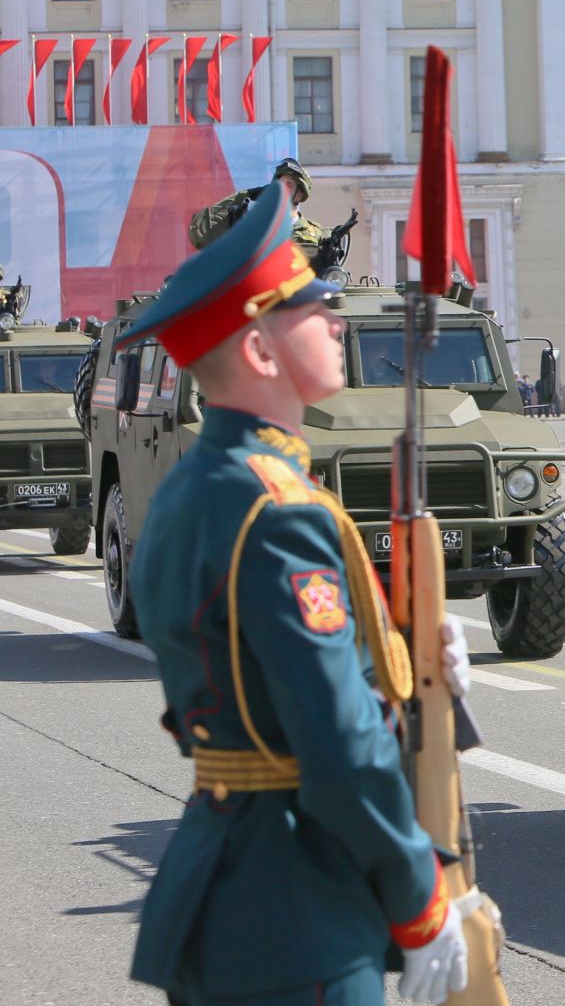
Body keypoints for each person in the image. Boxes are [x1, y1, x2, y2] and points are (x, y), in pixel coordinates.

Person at [119, 184, 479, 1005]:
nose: (338, 318)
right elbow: (339, 740)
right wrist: (420, 902)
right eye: (314, 305)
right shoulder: (274, 510)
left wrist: (398, 649)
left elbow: (242, 671)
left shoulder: (195, 490)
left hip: (231, 877)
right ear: (260, 350)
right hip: (297, 908)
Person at [189, 158, 329, 260]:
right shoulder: (250, 224)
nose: (281, 188)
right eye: (278, 184)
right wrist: (247, 196)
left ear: (299, 195)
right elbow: (200, 231)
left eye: (289, 185)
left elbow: (329, 273)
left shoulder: (316, 233)